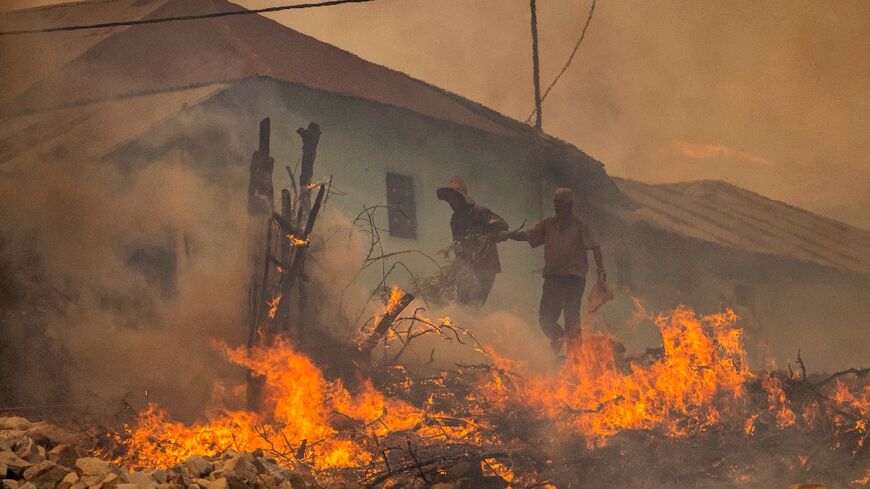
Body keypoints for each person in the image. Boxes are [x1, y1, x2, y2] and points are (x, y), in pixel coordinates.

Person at [502, 188, 606, 352]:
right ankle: (560, 338)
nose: (557, 206)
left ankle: (576, 359)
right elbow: (529, 234)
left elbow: (595, 246)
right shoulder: (548, 224)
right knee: (546, 319)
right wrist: (508, 235)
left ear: (570, 205)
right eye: (555, 203)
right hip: (553, 279)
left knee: (571, 319)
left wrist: (601, 270)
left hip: (574, 279)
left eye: (561, 203)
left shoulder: (579, 226)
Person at [437, 176, 509, 306]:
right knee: (462, 302)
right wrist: (458, 265)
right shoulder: (455, 219)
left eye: (454, 199)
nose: (451, 203)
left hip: (486, 266)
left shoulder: (480, 212)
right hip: (466, 267)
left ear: (461, 198)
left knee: (475, 303)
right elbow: (458, 243)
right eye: (450, 200)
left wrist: (486, 237)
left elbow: (502, 224)